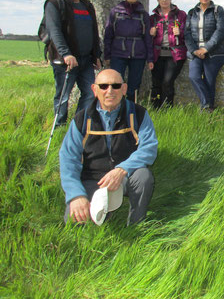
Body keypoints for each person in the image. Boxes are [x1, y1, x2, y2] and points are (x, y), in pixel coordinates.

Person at [60, 69, 158, 225]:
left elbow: (149, 148)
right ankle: (101, 209)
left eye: (116, 86)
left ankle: (136, 225)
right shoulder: (82, 119)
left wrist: (121, 170)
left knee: (144, 176)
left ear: (124, 89)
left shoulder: (138, 114)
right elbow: (68, 160)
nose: (110, 91)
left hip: (124, 178)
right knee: (73, 223)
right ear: (94, 89)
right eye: (104, 86)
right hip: (92, 179)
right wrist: (76, 195)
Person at [45, 0, 102, 127]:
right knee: (63, 96)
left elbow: (94, 32)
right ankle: (59, 127)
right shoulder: (55, 4)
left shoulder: (87, 6)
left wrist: (96, 55)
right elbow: (54, 32)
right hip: (66, 61)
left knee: (90, 93)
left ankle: (78, 125)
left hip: (86, 60)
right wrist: (66, 54)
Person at [103, 0, 153, 102]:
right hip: (118, 52)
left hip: (138, 54)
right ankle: (116, 108)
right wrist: (107, 54)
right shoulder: (115, 12)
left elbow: (148, 37)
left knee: (134, 86)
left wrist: (150, 58)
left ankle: (131, 110)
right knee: (116, 83)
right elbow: (108, 34)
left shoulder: (143, 14)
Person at [184, 0, 224, 111]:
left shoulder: (217, 10)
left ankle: (207, 109)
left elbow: (221, 31)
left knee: (210, 80)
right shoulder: (192, 12)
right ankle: (208, 105)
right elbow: (187, 34)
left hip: (214, 52)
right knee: (194, 76)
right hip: (196, 52)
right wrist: (195, 51)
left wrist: (206, 48)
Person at [149, 0, 187, 108]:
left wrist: (180, 32)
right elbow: (147, 39)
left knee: (167, 81)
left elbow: (188, 33)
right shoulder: (153, 17)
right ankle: (155, 108)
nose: (164, 0)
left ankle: (167, 108)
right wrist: (151, 34)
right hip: (157, 54)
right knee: (156, 83)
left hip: (174, 54)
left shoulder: (180, 15)